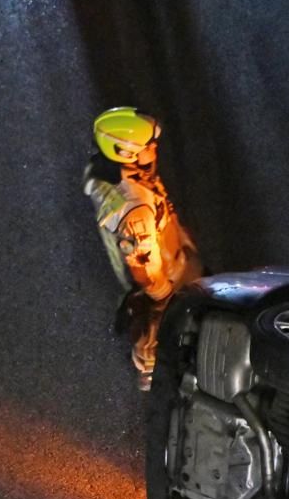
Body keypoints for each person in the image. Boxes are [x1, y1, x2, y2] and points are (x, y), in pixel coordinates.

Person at [83, 107, 204, 390]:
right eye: (148, 146)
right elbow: (144, 267)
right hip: (165, 277)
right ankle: (154, 376)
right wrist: (163, 298)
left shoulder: (109, 170)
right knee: (157, 330)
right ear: (125, 154)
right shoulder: (136, 211)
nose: (153, 149)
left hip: (168, 253)